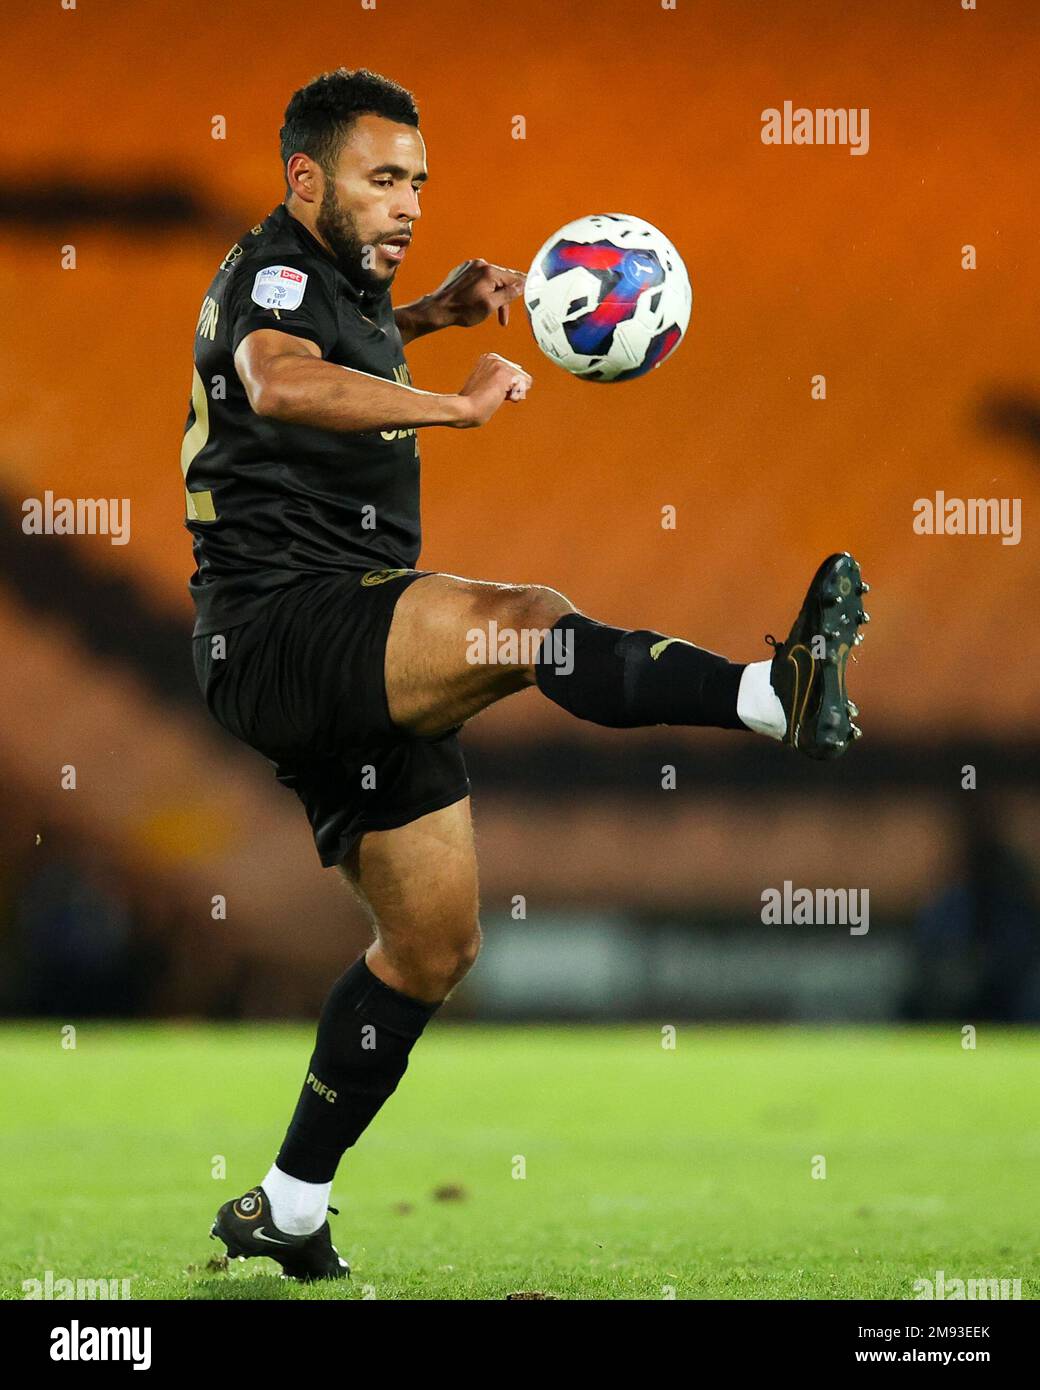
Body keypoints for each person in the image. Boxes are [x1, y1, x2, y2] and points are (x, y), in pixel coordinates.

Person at [184, 68, 869, 1280]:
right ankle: (775, 697)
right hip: (281, 624)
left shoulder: (343, 283)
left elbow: (332, 344)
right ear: (306, 181)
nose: (405, 204)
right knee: (526, 620)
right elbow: (278, 378)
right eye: (380, 178)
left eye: (417, 183)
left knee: (432, 950)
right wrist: (451, 407)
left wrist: (435, 314)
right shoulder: (274, 275)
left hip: (331, 642)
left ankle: (289, 1201)